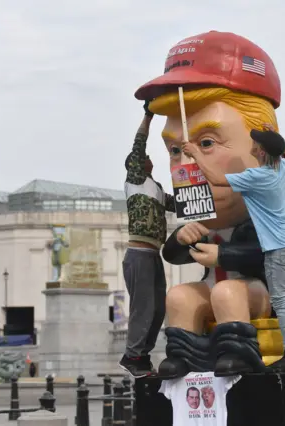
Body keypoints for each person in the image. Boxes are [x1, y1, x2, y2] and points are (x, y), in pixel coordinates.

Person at [135, 31, 285, 379]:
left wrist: (222, 257)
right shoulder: (204, 218)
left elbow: (263, 255)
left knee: (227, 291)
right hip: (212, 286)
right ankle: (182, 355)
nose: (184, 166)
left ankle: (237, 353)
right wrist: (180, 238)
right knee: (180, 297)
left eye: (206, 143)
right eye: (175, 151)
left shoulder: (262, 216)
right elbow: (172, 255)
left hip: (254, 292)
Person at [182, 125, 285, 372]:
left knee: (280, 300)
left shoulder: (259, 176)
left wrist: (195, 153)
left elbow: (216, 179)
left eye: (256, 144)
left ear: (263, 152)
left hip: (276, 245)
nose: (251, 146)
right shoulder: (282, 168)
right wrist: (277, 140)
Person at [119, 100, 176, 378]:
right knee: (143, 307)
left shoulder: (155, 187)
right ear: (137, 165)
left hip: (153, 254)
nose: (149, 157)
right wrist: (148, 116)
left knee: (157, 308)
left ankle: (141, 355)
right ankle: (132, 355)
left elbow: (177, 204)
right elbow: (139, 143)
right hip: (139, 254)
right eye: (144, 157)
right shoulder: (135, 180)